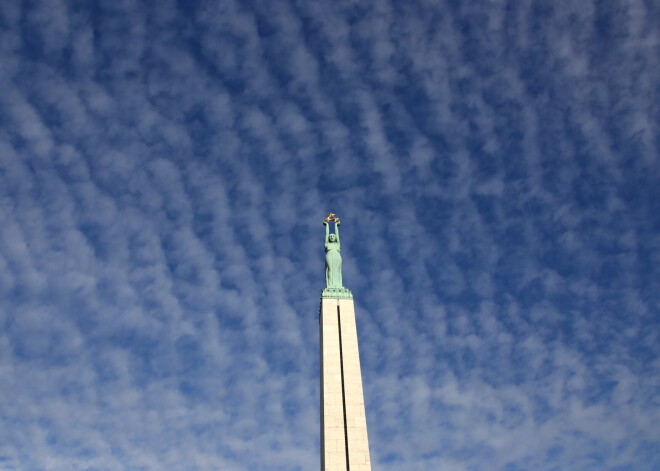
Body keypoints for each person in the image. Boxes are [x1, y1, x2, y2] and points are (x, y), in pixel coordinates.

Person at [323, 219, 342, 288]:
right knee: (330, 269)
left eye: (333, 236)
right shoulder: (327, 244)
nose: (332, 237)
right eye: (330, 236)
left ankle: (338, 285)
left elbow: (337, 234)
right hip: (329, 254)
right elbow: (326, 234)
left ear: (335, 238)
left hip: (337, 255)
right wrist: (327, 225)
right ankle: (330, 285)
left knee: (337, 270)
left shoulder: (337, 244)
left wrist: (336, 225)